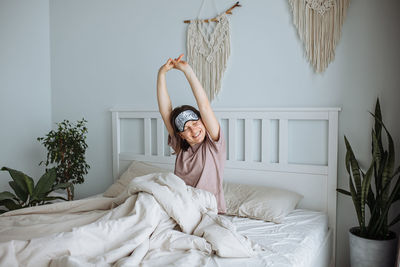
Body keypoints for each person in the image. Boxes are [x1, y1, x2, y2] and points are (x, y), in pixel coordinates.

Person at [157, 54, 226, 214]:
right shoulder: (182, 147)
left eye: (195, 123)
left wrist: (187, 71)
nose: (193, 130)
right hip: (180, 207)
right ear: (180, 135)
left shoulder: (213, 145)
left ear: (203, 121)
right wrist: (162, 73)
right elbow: (165, 111)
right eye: (186, 128)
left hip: (207, 209)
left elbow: (204, 105)